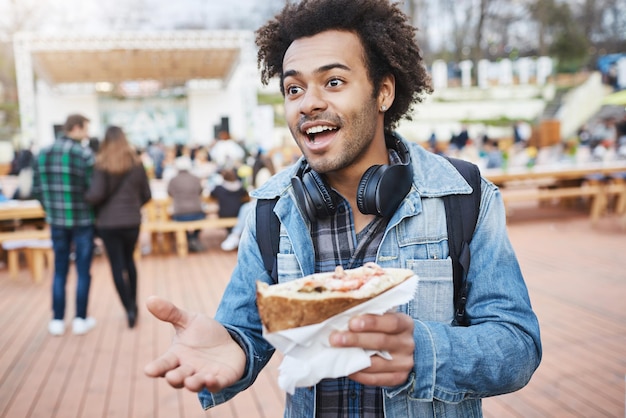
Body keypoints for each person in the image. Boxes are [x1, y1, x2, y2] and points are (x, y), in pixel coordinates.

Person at [144, 1, 542, 417]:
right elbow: (244, 331)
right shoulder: (269, 209)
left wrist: (423, 352)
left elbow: (517, 345)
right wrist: (235, 349)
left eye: (333, 81)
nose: (308, 103)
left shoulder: (463, 195)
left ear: (383, 91)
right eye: (293, 88)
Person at [32, 114, 97, 336]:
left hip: (56, 220)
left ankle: (57, 319)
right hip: (82, 220)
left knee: (59, 270)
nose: (88, 134)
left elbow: (36, 188)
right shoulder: (84, 154)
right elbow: (93, 190)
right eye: (86, 129)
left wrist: (50, 209)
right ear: (76, 128)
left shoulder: (42, 153)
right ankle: (80, 318)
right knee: (83, 270)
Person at [85, 126, 152, 328]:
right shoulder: (137, 164)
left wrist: (85, 197)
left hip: (109, 223)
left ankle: (128, 308)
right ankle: (135, 305)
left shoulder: (101, 165)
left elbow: (96, 195)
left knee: (116, 264)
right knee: (130, 261)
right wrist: (132, 207)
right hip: (132, 221)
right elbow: (147, 195)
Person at [167, 156, 206, 252]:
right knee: (203, 217)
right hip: (197, 212)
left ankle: (189, 238)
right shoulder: (196, 178)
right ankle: (193, 238)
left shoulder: (173, 180)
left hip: (179, 213)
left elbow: (169, 193)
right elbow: (200, 191)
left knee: (177, 221)